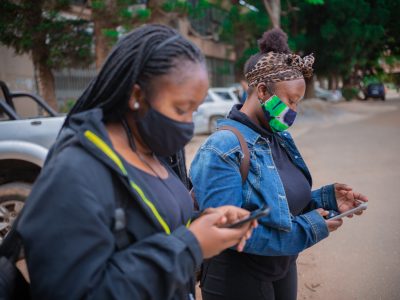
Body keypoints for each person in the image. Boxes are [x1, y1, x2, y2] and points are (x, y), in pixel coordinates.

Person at [16, 24, 255, 300]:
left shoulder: (150, 149)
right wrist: (192, 246)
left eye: (195, 110)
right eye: (180, 109)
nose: (189, 124)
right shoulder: (74, 173)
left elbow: (153, 224)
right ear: (137, 95)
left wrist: (205, 222)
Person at [189, 28, 368, 300]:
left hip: (282, 267)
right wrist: (308, 230)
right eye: (290, 101)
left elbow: (279, 203)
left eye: (297, 102)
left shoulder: (278, 136)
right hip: (237, 281)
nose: (293, 111)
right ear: (262, 90)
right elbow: (227, 233)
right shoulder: (222, 148)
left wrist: (326, 198)